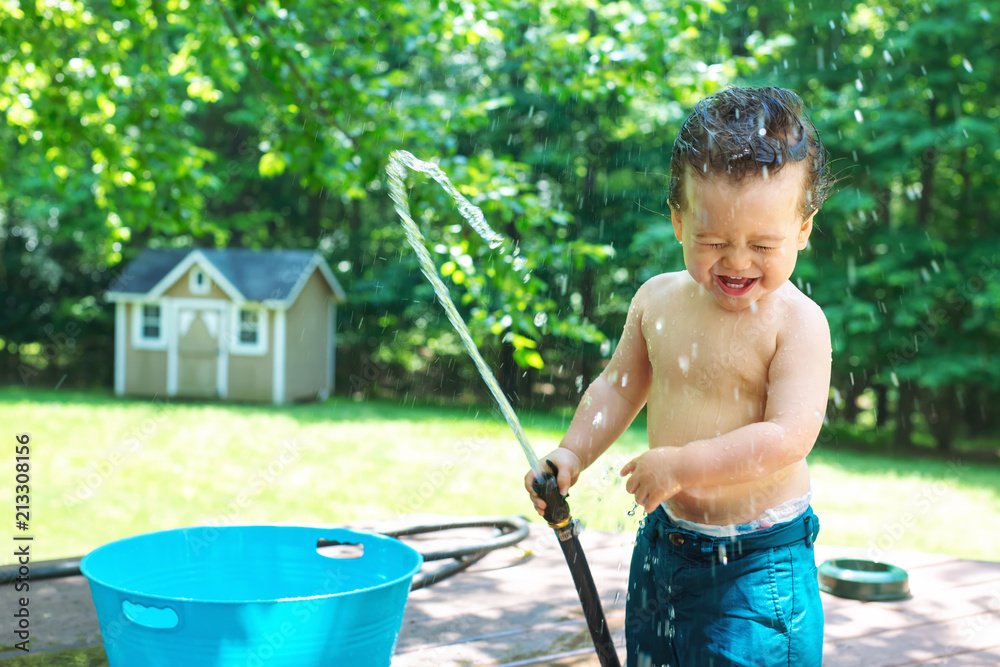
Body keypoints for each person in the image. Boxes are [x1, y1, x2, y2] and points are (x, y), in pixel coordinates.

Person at [525, 86, 833, 667]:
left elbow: (788, 437)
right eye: (714, 241)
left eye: (762, 244)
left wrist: (685, 463)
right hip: (667, 541)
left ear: (802, 231)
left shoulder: (798, 323)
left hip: (758, 561)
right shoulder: (657, 301)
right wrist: (572, 453)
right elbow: (618, 388)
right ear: (677, 221)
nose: (738, 262)